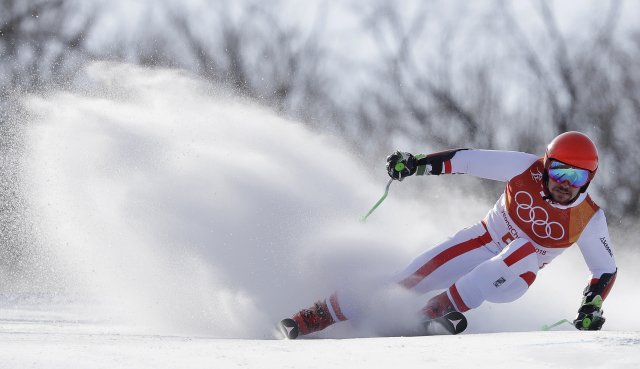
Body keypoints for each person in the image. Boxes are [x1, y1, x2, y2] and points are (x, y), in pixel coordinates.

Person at [279, 131, 617, 339]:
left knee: (523, 249)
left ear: (589, 179)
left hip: (514, 275)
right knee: (408, 279)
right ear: (546, 164)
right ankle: (316, 316)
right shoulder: (524, 167)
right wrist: (415, 164)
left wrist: (592, 305)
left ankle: (437, 310)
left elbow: (605, 269)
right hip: (481, 240)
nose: (563, 184)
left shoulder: (588, 218)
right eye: (558, 171)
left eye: (576, 178)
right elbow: (467, 161)